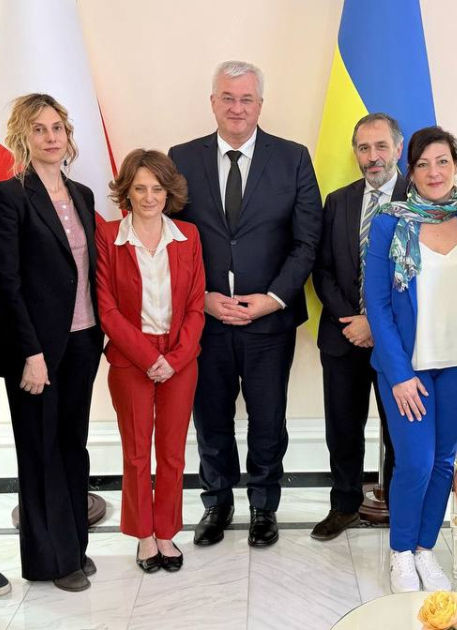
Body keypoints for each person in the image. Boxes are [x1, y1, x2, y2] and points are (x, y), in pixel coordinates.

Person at [168, 60, 322, 548]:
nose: (237, 108)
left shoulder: (293, 158)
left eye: (247, 99)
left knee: (268, 419)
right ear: (213, 102)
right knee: (210, 417)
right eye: (228, 98)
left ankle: (263, 506)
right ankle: (217, 502)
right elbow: (169, 239)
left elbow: (307, 240)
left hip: (269, 322)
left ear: (260, 104)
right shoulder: (181, 159)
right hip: (206, 319)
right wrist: (201, 299)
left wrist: (273, 299)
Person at [0, 93, 104, 592]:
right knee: (40, 450)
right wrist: (30, 354)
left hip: (83, 340)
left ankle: (74, 546)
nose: (51, 137)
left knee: (73, 445)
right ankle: (48, 560)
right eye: (39, 129)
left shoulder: (82, 195)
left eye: (57, 128)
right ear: (23, 137)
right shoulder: (7, 196)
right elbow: (7, 284)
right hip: (36, 349)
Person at [365, 125, 457, 594]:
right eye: (423, 164)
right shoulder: (389, 223)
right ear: (409, 171)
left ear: (456, 166)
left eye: (443, 162)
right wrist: (398, 374)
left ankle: (424, 550)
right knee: (415, 461)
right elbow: (377, 304)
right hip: (408, 367)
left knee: (442, 463)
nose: (434, 172)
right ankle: (400, 551)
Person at [96, 149, 205, 573]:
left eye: (157, 188)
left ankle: (166, 532)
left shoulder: (188, 236)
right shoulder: (108, 236)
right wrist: (147, 357)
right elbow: (106, 309)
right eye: (139, 188)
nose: (148, 197)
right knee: (138, 452)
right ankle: (144, 535)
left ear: (168, 191)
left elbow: (195, 305)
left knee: (173, 452)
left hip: (180, 357)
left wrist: (174, 359)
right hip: (130, 358)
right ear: (126, 191)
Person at [310, 112, 404, 541]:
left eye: (381, 146)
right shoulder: (338, 201)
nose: (373, 156)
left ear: (398, 148)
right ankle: (344, 505)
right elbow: (322, 269)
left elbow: (422, 278)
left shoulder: (419, 199)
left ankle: (402, 509)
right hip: (343, 335)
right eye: (364, 148)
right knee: (343, 429)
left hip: (398, 342)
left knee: (399, 432)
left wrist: (375, 324)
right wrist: (352, 320)